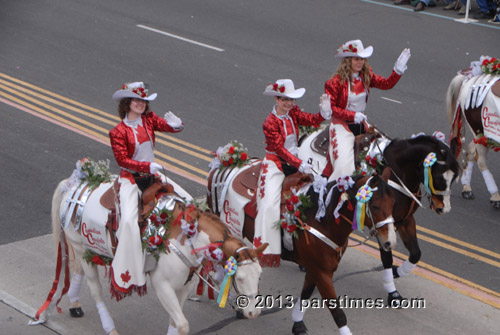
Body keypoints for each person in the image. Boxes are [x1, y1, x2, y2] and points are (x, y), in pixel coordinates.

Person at [108, 81, 191, 298]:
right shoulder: (118, 131)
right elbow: (123, 161)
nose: (141, 104)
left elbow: (169, 127)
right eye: (136, 100)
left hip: (152, 177)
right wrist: (146, 166)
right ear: (127, 103)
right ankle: (129, 270)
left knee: (188, 201)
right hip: (131, 180)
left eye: (143, 101)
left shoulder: (149, 120)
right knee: (127, 221)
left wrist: (177, 125)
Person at [255, 79, 331, 267]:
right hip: (277, 163)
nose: (289, 103)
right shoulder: (270, 122)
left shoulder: (293, 113)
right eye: (284, 100)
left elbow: (311, 121)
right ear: (277, 99)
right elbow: (279, 149)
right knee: (269, 204)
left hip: (296, 160)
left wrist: (323, 114)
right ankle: (267, 248)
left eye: (291, 100)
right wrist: (299, 163)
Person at [322, 40, 410, 181]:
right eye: (357, 59)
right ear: (348, 60)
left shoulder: (366, 75)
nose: (360, 62)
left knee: (384, 151)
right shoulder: (334, 82)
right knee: (345, 167)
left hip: (361, 123)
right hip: (341, 125)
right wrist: (351, 115)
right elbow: (332, 109)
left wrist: (397, 70)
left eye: (362, 59)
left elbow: (386, 84)